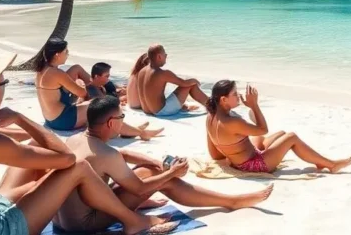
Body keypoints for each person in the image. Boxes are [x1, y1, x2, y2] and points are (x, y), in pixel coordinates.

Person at [0, 49, 177, 235]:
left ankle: (119, 207)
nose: (5, 87)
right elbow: (67, 159)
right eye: (3, 83)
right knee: (78, 168)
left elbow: (19, 152)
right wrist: (20, 118)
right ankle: (133, 222)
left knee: (35, 169)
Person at [48, 96, 273, 232]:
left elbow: (122, 154)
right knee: (163, 181)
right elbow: (140, 188)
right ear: (110, 123)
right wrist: (171, 173)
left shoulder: (77, 140)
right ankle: (231, 201)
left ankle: (155, 190)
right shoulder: (106, 154)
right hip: (87, 224)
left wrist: (158, 163)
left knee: (150, 170)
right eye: (121, 118)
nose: (123, 122)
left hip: (65, 221)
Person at [206, 80, 351, 174]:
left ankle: (316, 160)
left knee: (281, 134)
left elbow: (215, 154)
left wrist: (231, 155)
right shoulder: (232, 122)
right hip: (254, 164)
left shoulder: (210, 117)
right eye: (234, 94)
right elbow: (263, 129)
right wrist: (254, 105)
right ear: (224, 99)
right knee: (291, 137)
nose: (238, 95)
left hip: (238, 160)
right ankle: (330, 165)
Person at [33, 39, 158, 139]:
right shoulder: (57, 73)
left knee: (76, 68)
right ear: (57, 54)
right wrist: (80, 85)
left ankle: (126, 125)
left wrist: (77, 86)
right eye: (66, 52)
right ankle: (140, 133)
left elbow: (68, 92)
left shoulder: (42, 69)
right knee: (103, 108)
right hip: (63, 120)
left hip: (50, 119)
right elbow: (81, 92)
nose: (68, 54)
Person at [136, 45, 208, 117]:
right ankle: (212, 106)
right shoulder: (162, 73)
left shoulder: (142, 71)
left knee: (188, 84)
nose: (166, 57)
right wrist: (194, 80)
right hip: (161, 111)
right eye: (165, 55)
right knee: (191, 85)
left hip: (147, 110)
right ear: (159, 57)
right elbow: (184, 83)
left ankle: (211, 104)